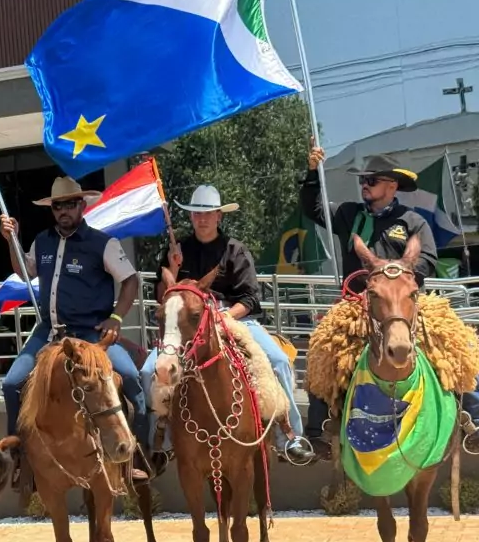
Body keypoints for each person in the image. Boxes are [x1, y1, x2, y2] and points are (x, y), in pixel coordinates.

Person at [139, 185, 309, 465]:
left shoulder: (235, 250)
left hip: (232, 315)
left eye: (208, 213)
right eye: (196, 213)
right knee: (148, 371)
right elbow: (164, 298)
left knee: (277, 361)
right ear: (191, 217)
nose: (201, 219)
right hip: (187, 321)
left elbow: (251, 298)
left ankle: (289, 438)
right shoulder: (176, 250)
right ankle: (162, 443)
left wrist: (226, 316)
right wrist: (175, 268)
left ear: (219, 216)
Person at [0, 176, 149, 481]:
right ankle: (19, 459)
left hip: (91, 334)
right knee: (12, 383)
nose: (63, 211)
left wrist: (116, 319)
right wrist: (11, 240)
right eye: (57, 206)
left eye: (69, 204)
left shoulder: (102, 243)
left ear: (82, 205)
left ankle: (137, 456)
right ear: (52, 209)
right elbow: (25, 270)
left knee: (130, 378)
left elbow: (130, 280)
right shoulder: (42, 241)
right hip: (50, 331)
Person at [300, 143, 440, 458]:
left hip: (403, 302)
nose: (365, 185)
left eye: (372, 181)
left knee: (450, 340)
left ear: (392, 186)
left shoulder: (412, 221)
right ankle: (318, 430)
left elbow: (428, 258)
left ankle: (469, 417)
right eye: (363, 181)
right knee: (323, 346)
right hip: (356, 304)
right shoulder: (349, 214)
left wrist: (397, 282)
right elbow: (313, 208)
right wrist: (312, 173)